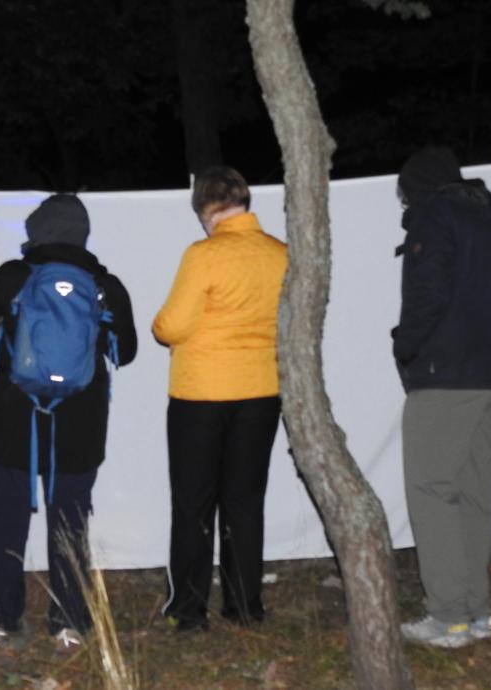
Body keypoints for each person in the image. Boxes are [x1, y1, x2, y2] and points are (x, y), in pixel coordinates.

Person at [0, 193, 137, 650]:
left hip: (10, 423)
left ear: (36, 232)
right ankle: (69, 623)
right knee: (70, 522)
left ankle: (0, 618)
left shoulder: (11, 277)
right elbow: (128, 352)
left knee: (4, 519)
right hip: (78, 427)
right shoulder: (104, 285)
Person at [392, 147, 491, 648]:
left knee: (431, 490)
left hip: (445, 373)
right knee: (473, 492)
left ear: (415, 187)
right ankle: (476, 611)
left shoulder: (433, 217)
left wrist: (405, 345)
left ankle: (449, 617)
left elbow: (428, 293)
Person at [153, 166, 287, 631]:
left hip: (201, 395)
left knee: (194, 502)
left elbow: (171, 326)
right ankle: (245, 605)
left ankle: (188, 610)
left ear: (205, 209)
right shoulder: (280, 253)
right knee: (244, 501)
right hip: (262, 392)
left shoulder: (204, 254)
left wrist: (159, 325)